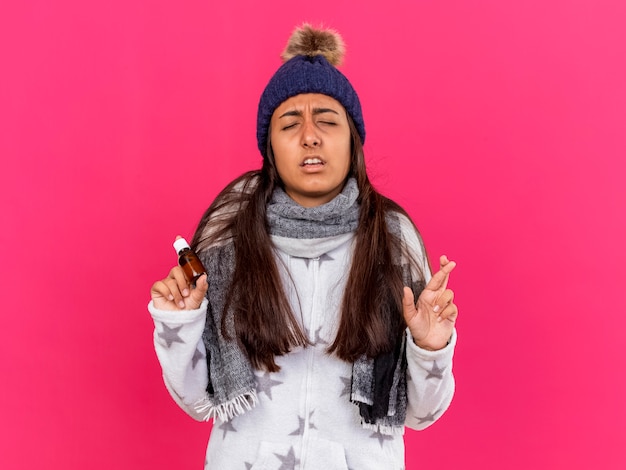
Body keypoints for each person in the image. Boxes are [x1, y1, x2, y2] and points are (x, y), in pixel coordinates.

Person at [149, 24, 459, 470]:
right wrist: (178, 323)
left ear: (352, 139)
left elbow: (420, 414)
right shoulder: (226, 239)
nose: (310, 136)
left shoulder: (393, 240)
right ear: (270, 148)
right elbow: (199, 403)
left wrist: (431, 346)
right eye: (290, 123)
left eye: (328, 121)